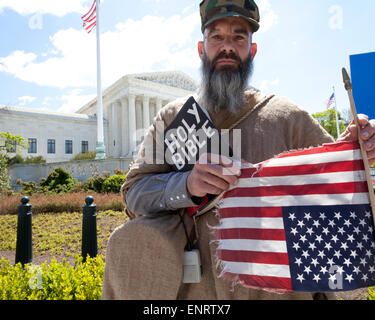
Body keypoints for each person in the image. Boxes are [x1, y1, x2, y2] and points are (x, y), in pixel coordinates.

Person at [101, 0, 375, 300]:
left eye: (239, 37)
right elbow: (134, 195)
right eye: (216, 36)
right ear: (201, 48)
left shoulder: (287, 116)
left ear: (252, 50)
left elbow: (335, 182)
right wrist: (186, 185)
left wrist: (356, 147)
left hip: (274, 291)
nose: (227, 46)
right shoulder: (171, 118)